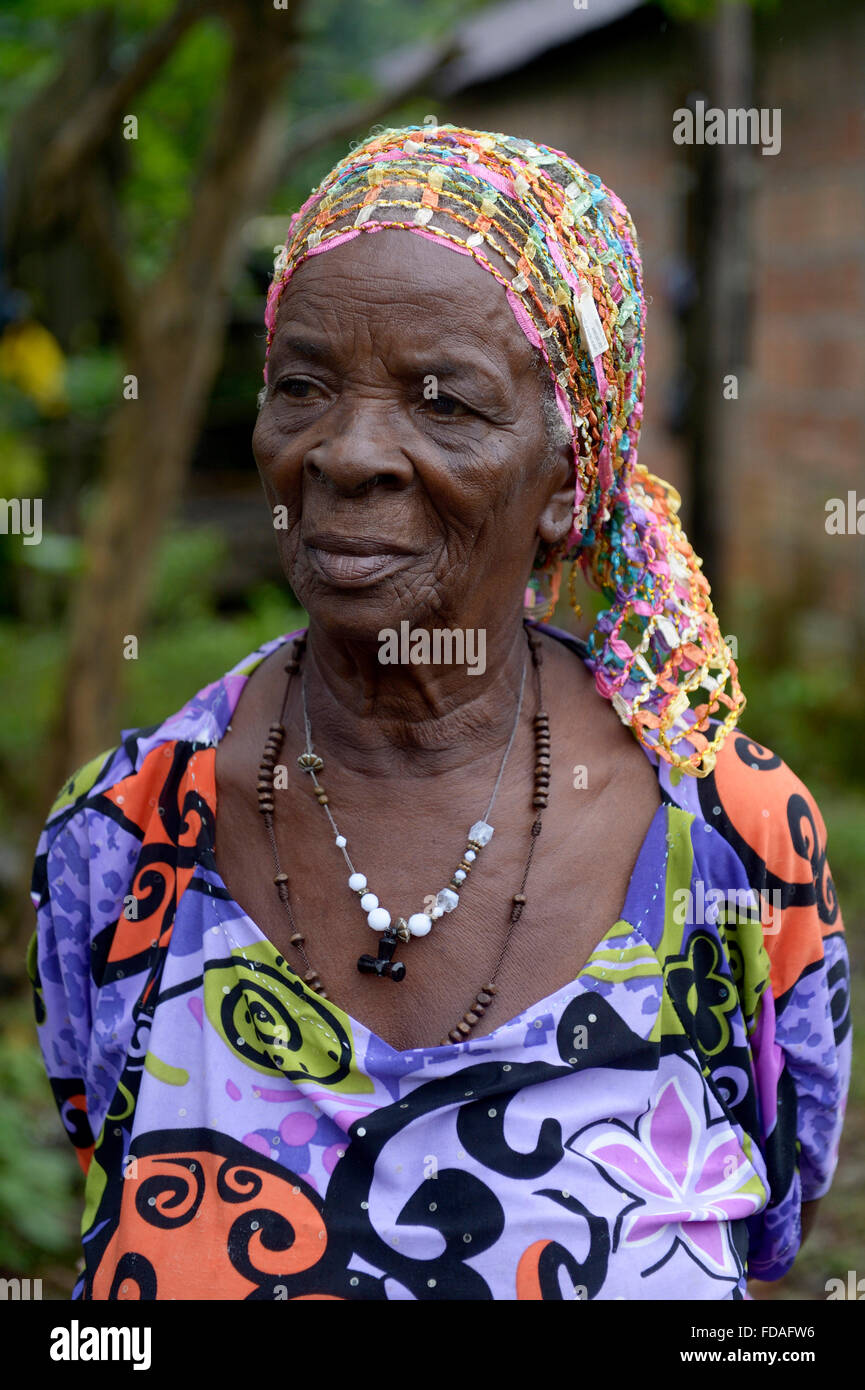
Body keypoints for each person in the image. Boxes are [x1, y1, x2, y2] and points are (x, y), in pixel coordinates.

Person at [29, 123, 850, 1301]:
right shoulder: (123, 839)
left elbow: (770, 1231)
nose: (346, 453)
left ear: (570, 482)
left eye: (443, 402)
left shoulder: (732, 840)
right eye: (302, 387)